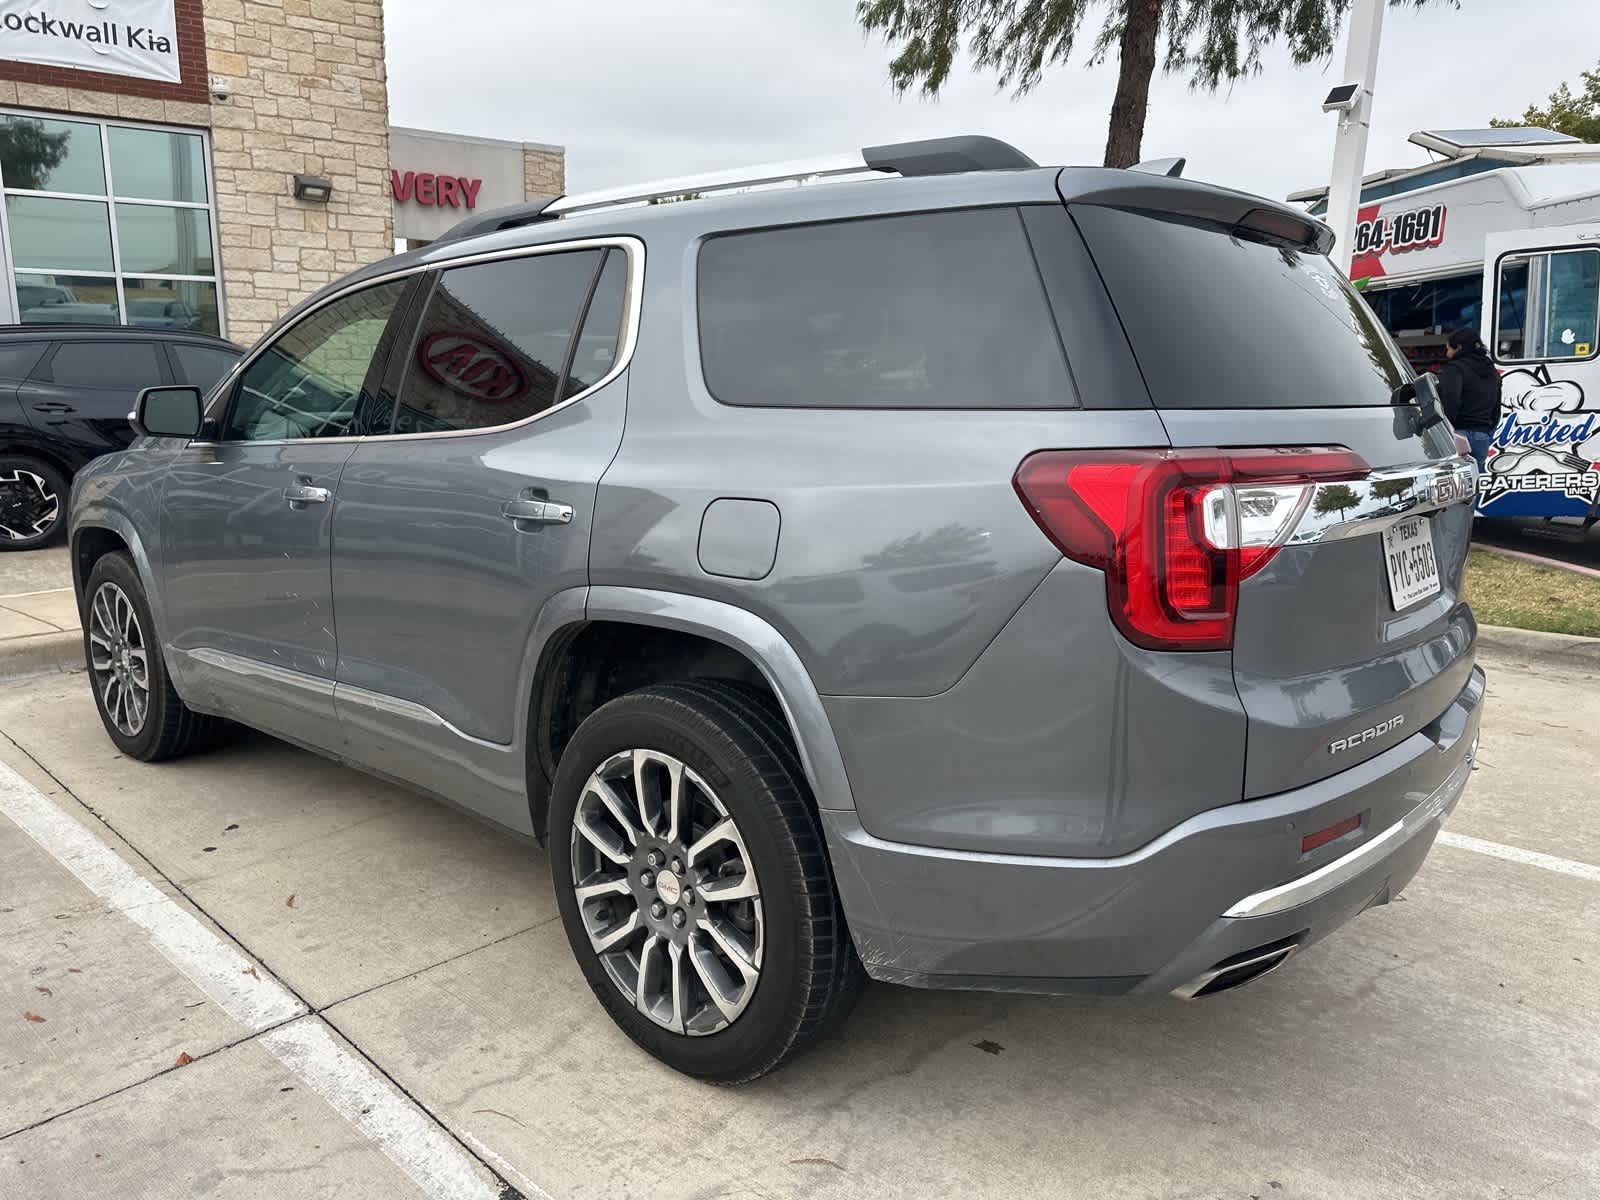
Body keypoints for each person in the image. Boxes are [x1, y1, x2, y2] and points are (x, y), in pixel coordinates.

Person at [1436, 327, 1500, 472]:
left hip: (1457, 434)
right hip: (1481, 437)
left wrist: (1446, 430)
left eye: (1449, 349)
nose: (1447, 354)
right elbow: (1496, 408)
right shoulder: (1491, 370)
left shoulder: (1454, 368)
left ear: (1458, 347)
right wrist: (1486, 431)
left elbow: (1450, 401)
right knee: (1473, 487)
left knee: (1453, 487)